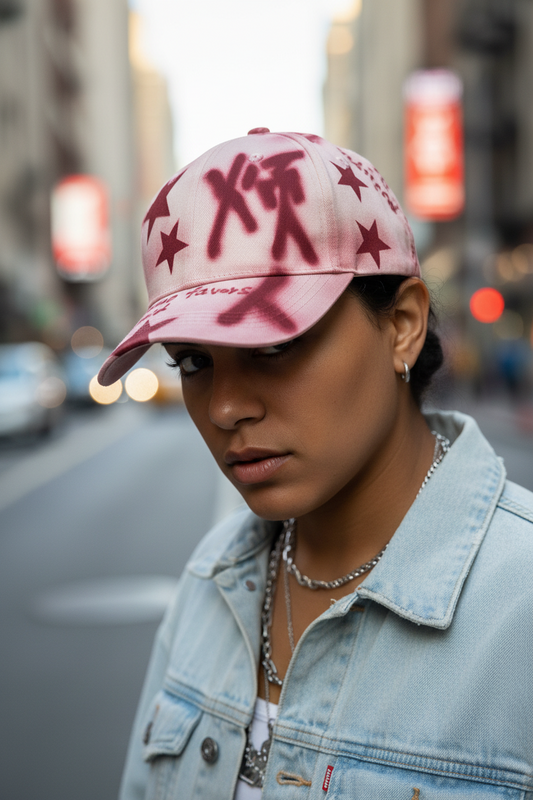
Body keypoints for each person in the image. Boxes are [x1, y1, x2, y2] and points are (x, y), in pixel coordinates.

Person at [99, 129, 533, 800]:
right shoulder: (212, 581)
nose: (224, 407)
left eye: (272, 346)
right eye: (192, 361)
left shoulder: (518, 605)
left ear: (401, 325)